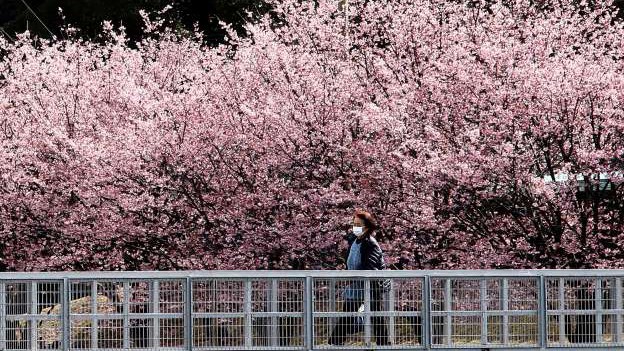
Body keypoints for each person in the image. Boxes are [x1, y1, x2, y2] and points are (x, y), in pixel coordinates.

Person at [329, 209, 389, 346]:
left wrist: (356, 276)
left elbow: (371, 267)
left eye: (358, 224)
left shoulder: (370, 243)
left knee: (375, 318)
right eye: (353, 224)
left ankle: (384, 344)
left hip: (370, 287)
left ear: (367, 227)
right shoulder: (355, 242)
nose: (354, 227)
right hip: (356, 286)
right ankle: (335, 343)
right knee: (348, 316)